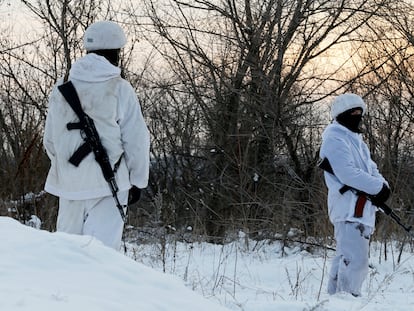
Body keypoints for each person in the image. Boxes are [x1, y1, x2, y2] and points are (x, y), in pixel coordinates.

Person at [43, 21, 150, 250]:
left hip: (69, 187)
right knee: (102, 257)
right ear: (115, 53)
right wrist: (137, 181)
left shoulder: (61, 87)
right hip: (110, 185)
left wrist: (69, 171)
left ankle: (64, 287)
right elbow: (136, 140)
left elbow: (51, 142)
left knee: (65, 253)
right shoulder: (119, 87)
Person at [319, 93, 390, 297]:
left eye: (360, 113)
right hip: (349, 209)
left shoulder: (358, 142)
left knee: (345, 258)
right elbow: (347, 173)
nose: (357, 116)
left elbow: (371, 169)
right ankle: (348, 300)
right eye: (353, 113)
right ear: (341, 114)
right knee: (356, 261)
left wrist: (382, 187)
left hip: (361, 210)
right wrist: (377, 189)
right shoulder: (334, 138)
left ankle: (335, 301)